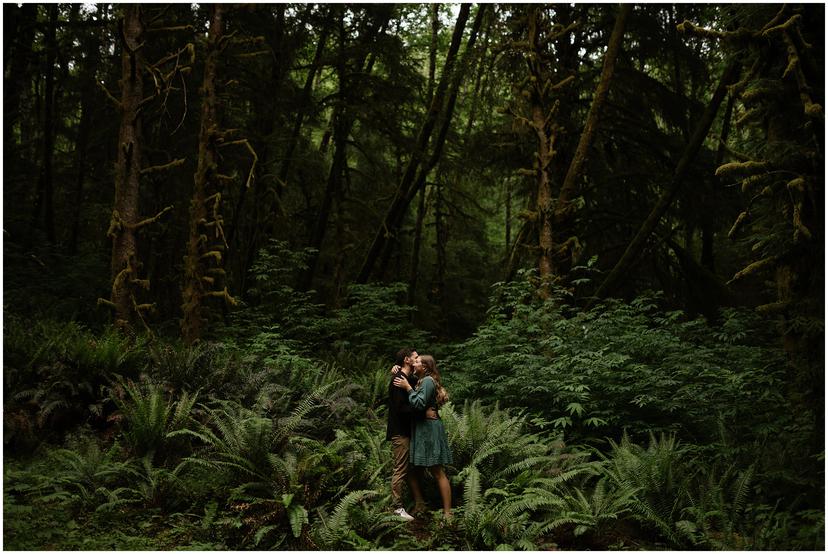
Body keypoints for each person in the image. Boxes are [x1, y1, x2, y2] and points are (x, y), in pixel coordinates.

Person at [393, 354, 453, 519]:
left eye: (418, 361)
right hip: (421, 428)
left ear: (425, 367)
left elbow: (419, 403)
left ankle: (448, 513)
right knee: (413, 469)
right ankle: (420, 503)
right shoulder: (419, 379)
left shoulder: (426, 381)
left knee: (437, 470)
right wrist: (395, 368)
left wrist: (408, 388)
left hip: (429, 429)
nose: (414, 362)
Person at [386, 347, 425, 521]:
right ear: (407, 360)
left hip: (407, 431)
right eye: (415, 357)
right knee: (400, 469)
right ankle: (397, 508)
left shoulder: (408, 378)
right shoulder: (398, 379)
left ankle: (416, 503)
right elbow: (401, 408)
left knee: (407, 469)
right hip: (400, 432)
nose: (418, 359)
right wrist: (421, 411)